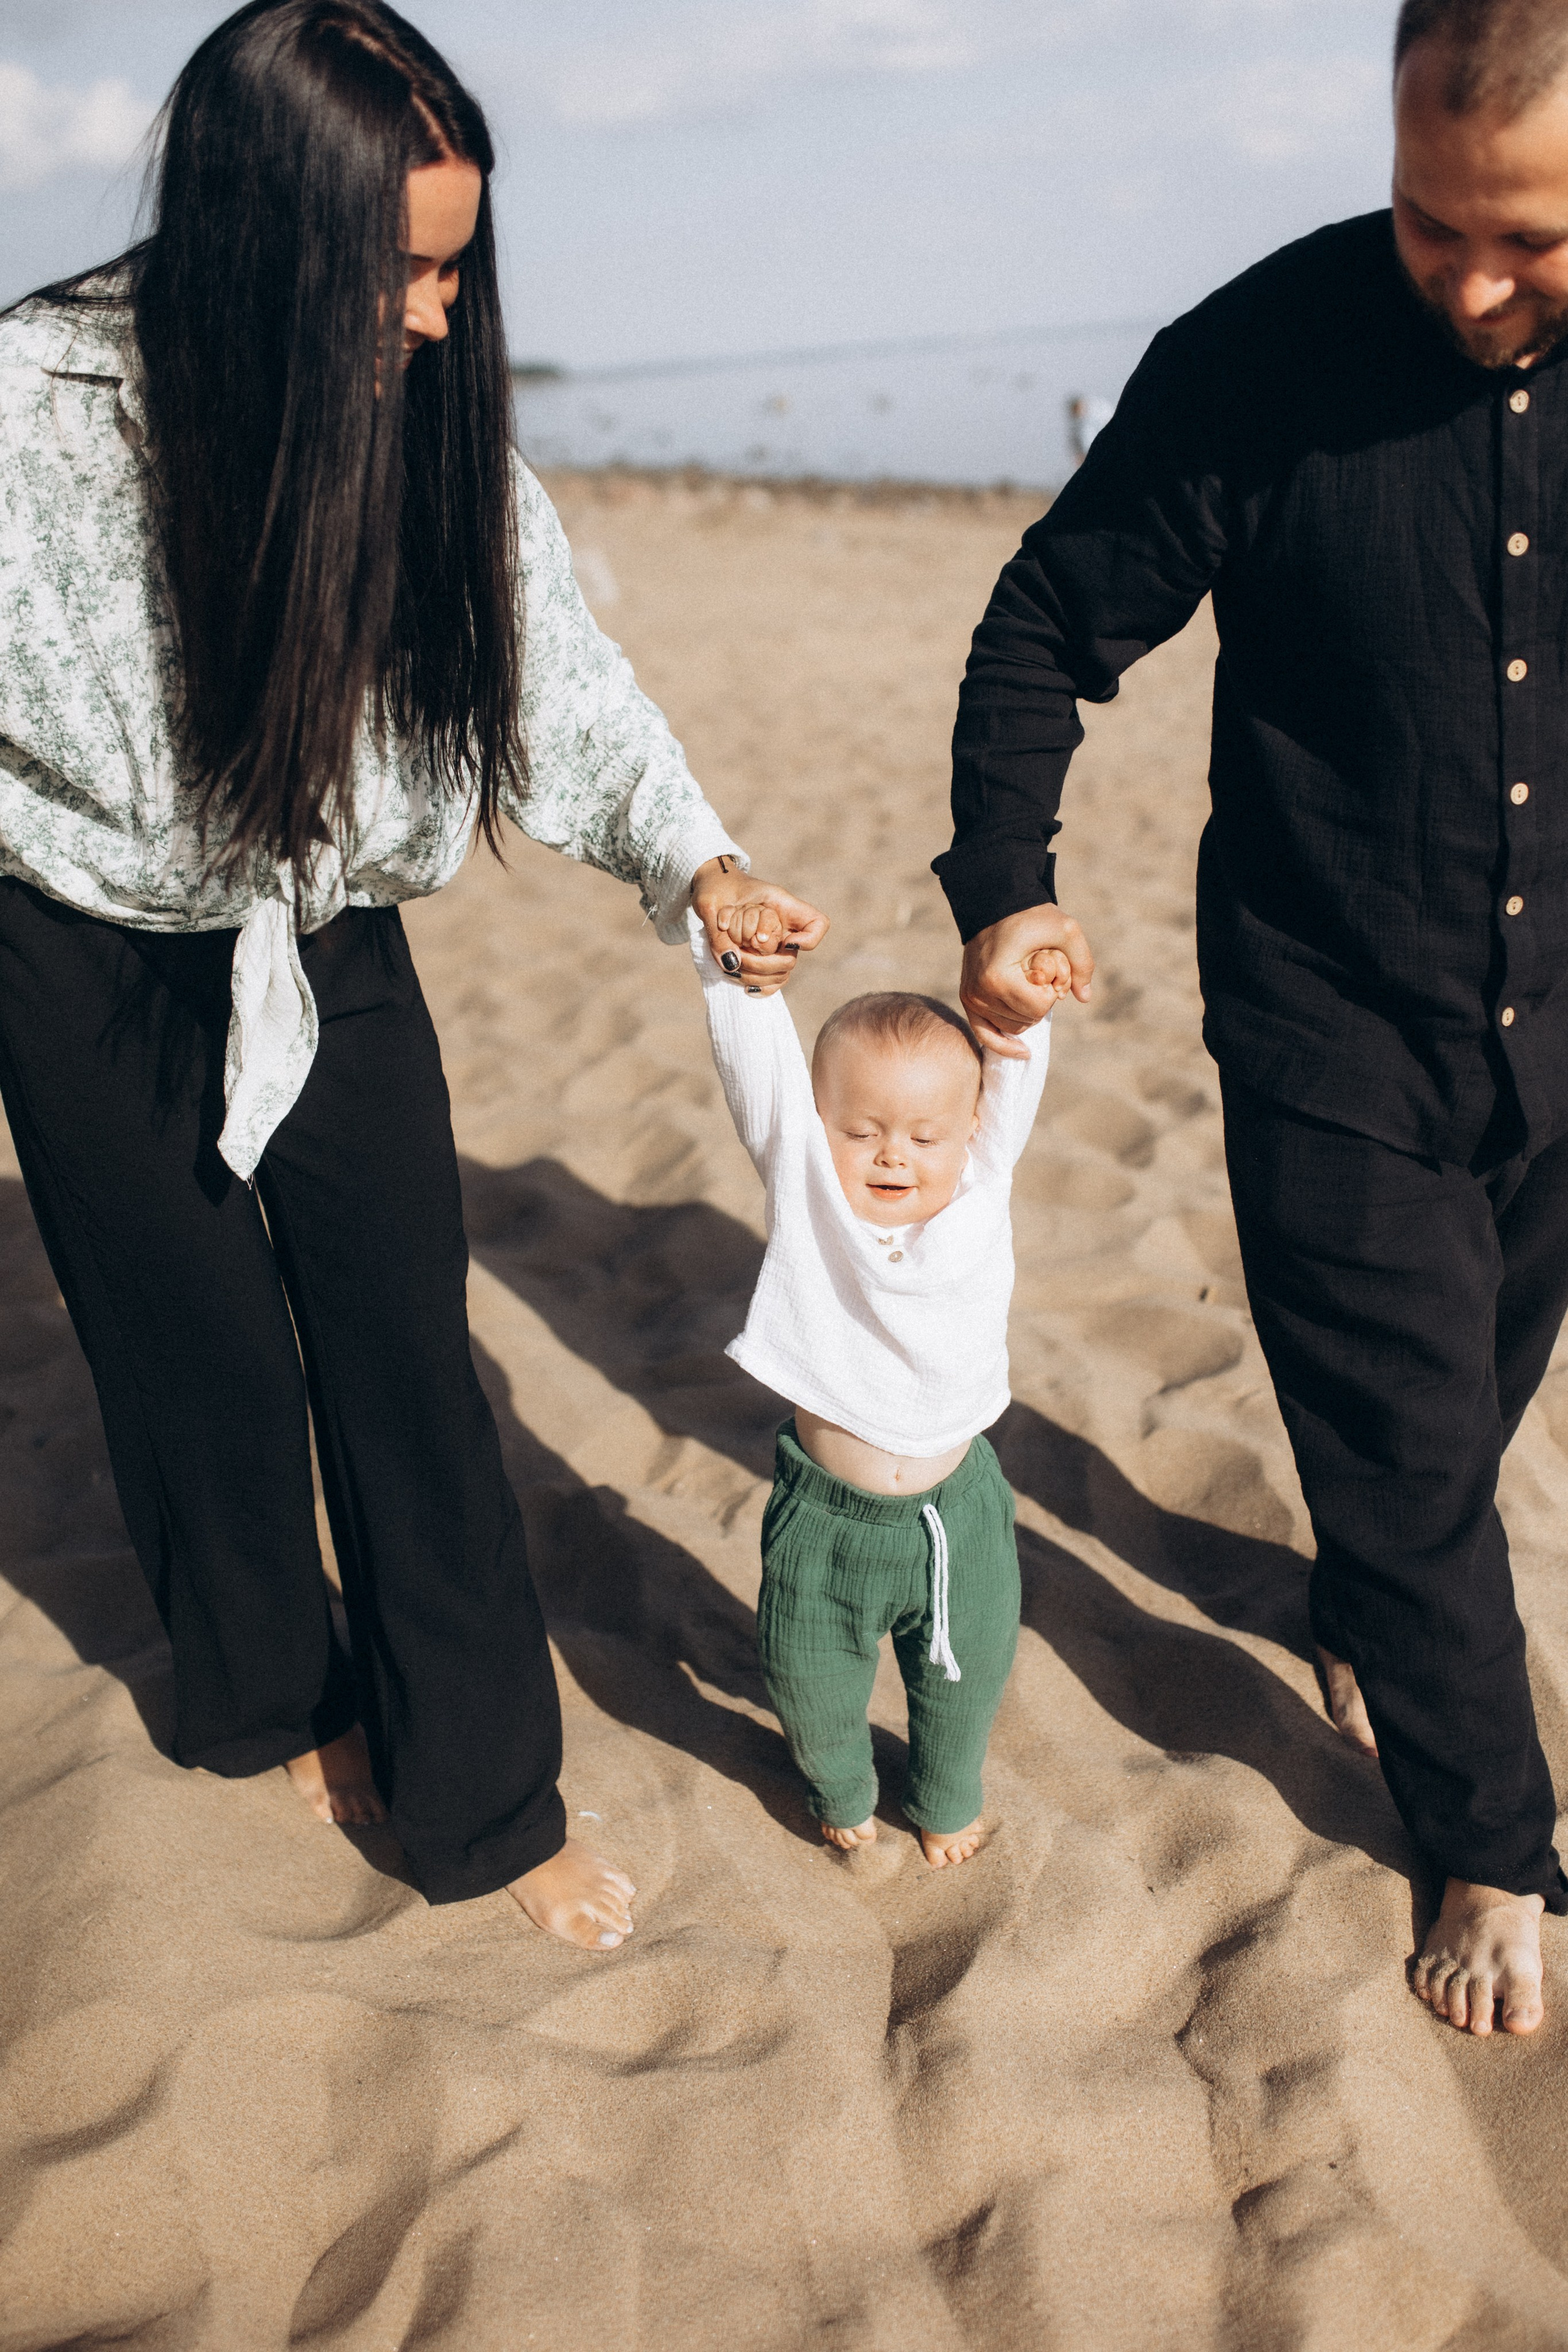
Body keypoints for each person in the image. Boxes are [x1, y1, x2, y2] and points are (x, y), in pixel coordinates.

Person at [0, 1, 825, 1952]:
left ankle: (485, 1801)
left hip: (321, 939)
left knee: (405, 1360)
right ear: (267, 242)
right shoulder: (30, 417)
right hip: (77, 946)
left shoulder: (424, 419)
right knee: (191, 1360)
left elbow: (556, 674)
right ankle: (276, 1702)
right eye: (411, 272)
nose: (447, 318)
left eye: (462, 268)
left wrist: (689, 855)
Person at [941, 0, 1568, 2037]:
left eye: (1533, 240)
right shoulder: (1261, 358)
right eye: (1430, 220)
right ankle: (1491, 1838)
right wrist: (1007, 877)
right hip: (1327, 1010)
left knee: (1459, 1415)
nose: (1474, 282)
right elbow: (1051, 617)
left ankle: (1387, 1600)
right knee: (1400, 1433)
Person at [693, 906, 1068, 1862]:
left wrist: (1022, 1015)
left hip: (960, 1516)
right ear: (820, 1132)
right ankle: (842, 1787)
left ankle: (945, 1799)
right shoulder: (809, 1193)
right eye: (861, 1131)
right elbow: (761, 1078)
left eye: (922, 1136)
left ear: (967, 1134)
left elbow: (1012, 1068)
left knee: (963, 1687)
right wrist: (738, 976)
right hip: (827, 1525)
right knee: (809, 1687)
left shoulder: (981, 1188)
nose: (894, 1152)